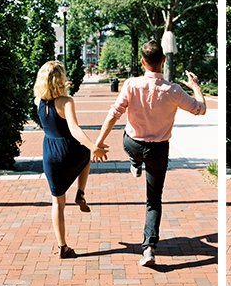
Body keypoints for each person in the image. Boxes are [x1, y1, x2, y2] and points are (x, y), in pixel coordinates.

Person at [94, 40, 206, 266]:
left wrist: (98, 142)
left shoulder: (131, 85)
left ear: (143, 62)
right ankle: (149, 249)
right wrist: (195, 86)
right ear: (163, 60)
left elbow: (114, 114)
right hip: (158, 150)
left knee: (128, 139)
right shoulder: (174, 90)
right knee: (153, 201)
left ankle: (135, 162)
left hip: (133, 144)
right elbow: (200, 109)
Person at [34, 61, 109, 259]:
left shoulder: (38, 101)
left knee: (57, 202)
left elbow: (47, 95)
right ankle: (81, 193)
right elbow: (74, 130)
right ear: (61, 80)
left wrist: (60, 90)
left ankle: (62, 246)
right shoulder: (66, 102)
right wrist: (94, 147)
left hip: (50, 152)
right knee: (85, 156)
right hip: (69, 148)